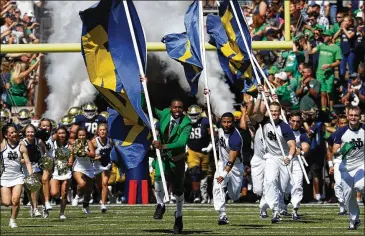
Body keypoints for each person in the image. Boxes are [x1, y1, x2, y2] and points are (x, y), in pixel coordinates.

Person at [148, 92, 192, 234]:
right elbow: (148, 107)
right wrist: (143, 90)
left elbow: (181, 142)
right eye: (175, 107)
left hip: (176, 159)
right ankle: (160, 204)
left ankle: (178, 216)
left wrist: (163, 146)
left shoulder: (187, 123)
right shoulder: (165, 113)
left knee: (178, 190)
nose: (177, 110)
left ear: (183, 109)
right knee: (158, 178)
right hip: (163, 158)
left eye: (180, 107)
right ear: (170, 108)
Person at [261, 102, 296, 223]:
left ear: (280, 112)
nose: (274, 113)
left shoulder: (285, 127)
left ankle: (285, 197)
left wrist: (290, 157)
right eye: (271, 111)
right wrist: (261, 94)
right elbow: (255, 112)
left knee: (283, 187)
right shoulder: (264, 123)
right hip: (271, 158)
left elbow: (292, 146)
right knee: (271, 181)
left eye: (276, 111)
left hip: (284, 158)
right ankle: (275, 211)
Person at [333, 106, 364, 230]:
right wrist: (343, 149)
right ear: (347, 116)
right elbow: (334, 150)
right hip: (346, 167)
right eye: (351, 115)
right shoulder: (341, 131)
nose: (353, 118)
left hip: (361, 164)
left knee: (360, 186)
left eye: (356, 115)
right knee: (348, 197)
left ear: (360, 116)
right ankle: (354, 220)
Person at [213, 112, 244, 225]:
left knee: (234, 195)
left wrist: (224, 175)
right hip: (221, 163)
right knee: (218, 186)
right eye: (224, 122)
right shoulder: (220, 126)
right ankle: (222, 215)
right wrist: (207, 102)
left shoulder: (235, 138)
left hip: (235, 167)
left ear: (233, 122)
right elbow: (212, 115)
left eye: (229, 122)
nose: (226, 124)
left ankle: (227, 193)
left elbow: (231, 160)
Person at [0, 124, 33, 228]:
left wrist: (31, 175)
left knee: (16, 200)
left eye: (15, 132)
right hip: (4, 177)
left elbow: (27, 162)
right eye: (12, 132)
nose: (14, 134)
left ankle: (13, 220)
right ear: (6, 135)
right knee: (6, 202)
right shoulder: (2, 145)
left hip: (18, 177)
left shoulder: (21, 146)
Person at [282, 111, 310, 220]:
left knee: (297, 184)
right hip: (284, 160)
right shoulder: (283, 130)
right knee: (285, 186)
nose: (295, 124)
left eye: (298, 122)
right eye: (293, 121)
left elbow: (306, 146)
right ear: (289, 120)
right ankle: (283, 203)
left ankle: (295, 209)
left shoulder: (302, 133)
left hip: (297, 160)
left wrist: (301, 151)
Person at [307, 29, 342, 118]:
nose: (323, 37)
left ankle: (331, 110)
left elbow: (338, 62)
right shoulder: (321, 45)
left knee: (329, 93)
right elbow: (310, 51)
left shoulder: (336, 48)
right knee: (323, 92)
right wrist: (307, 41)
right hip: (320, 73)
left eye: (325, 36)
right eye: (323, 35)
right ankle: (323, 110)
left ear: (330, 37)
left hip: (329, 74)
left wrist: (329, 65)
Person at [186, 105, 211, 203]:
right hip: (192, 150)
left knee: (204, 174)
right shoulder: (185, 122)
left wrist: (211, 145)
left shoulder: (205, 121)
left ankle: (204, 194)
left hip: (204, 151)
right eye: (191, 114)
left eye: (195, 114)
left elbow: (214, 133)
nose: (193, 116)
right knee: (195, 171)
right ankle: (196, 194)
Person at [21, 124, 46, 218]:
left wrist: (43, 159)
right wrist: (27, 159)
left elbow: (45, 152)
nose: (30, 134)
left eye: (32, 132)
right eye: (28, 132)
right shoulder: (22, 143)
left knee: (35, 186)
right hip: (24, 168)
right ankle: (33, 207)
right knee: (28, 190)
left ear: (35, 132)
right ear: (25, 133)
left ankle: (36, 209)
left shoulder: (38, 141)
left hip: (35, 167)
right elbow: (19, 159)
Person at [50, 126, 74, 220]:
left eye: (63, 133)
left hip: (66, 172)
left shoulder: (69, 147)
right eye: (59, 133)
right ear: (56, 134)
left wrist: (63, 164)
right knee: (54, 193)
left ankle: (62, 212)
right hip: (55, 172)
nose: (61, 135)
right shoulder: (52, 145)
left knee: (64, 193)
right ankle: (48, 202)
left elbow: (70, 162)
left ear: (66, 134)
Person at [327, 114, 348, 215]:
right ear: (338, 124)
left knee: (350, 186)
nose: (343, 125)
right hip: (338, 162)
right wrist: (330, 164)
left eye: (345, 123)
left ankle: (350, 204)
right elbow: (330, 150)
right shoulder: (334, 135)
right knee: (338, 184)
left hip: (351, 162)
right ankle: (342, 206)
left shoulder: (353, 133)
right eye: (341, 123)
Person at [72, 127, 95, 215]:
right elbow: (71, 155)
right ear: (77, 136)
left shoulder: (88, 142)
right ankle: (77, 196)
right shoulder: (74, 143)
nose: (81, 137)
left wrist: (85, 153)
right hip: (78, 167)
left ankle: (86, 206)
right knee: (82, 183)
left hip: (89, 167)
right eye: (80, 135)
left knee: (88, 190)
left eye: (83, 135)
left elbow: (93, 154)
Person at [91, 123, 112, 213]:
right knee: (99, 185)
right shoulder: (94, 142)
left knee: (105, 183)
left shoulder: (110, 141)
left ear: (107, 131)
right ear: (98, 132)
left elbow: (114, 152)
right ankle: (102, 196)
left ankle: (103, 204)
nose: (102, 131)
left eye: (104, 130)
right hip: (96, 165)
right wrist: (98, 157)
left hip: (107, 165)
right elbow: (89, 155)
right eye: (101, 130)